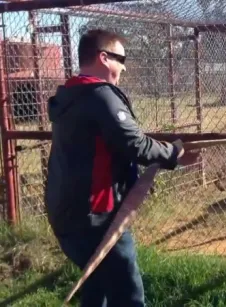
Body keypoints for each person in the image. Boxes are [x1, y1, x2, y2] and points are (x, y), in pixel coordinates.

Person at [44, 29, 199, 307]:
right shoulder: (100, 95)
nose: (124, 66)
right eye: (121, 58)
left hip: (65, 211)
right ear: (104, 58)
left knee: (98, 281)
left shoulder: (70, 95)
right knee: (127, 290)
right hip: (95, 216)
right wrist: (173, 153)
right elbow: (135, 144)